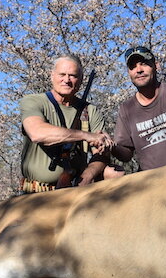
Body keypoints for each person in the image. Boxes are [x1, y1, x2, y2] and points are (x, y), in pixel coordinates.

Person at [19, 54, 113, 192]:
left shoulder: (90, 111)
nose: (67, 80)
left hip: (73, 191)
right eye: (62, 74)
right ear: (52, 76)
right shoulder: (32, 101)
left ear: (80, 80)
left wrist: (87, 176)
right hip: (34, 194)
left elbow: (102, 153)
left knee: (115, 173)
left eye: (73, 76)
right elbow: (37, 133)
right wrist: (86, 135)